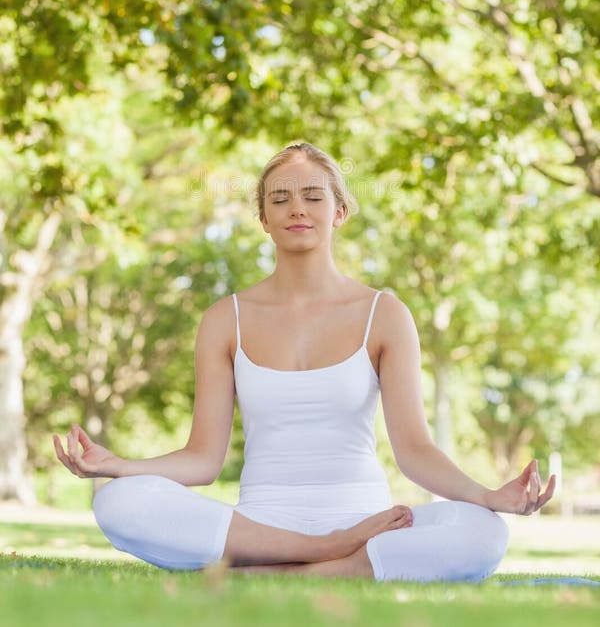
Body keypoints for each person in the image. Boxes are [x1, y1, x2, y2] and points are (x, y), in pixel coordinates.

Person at [53, 141, 555, 581]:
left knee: (484, 534)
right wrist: (121, 467)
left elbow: (415, 451)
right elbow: (203, 459)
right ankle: (323, 556)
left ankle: (282, 574)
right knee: (119, 501)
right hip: (262, 526)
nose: (298, 208)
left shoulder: (385, 314)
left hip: (370, 525)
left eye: (313, 196)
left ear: (339, 211)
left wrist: (488, 496)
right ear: (264, 219)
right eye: (281, 198)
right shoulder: (224, 319)